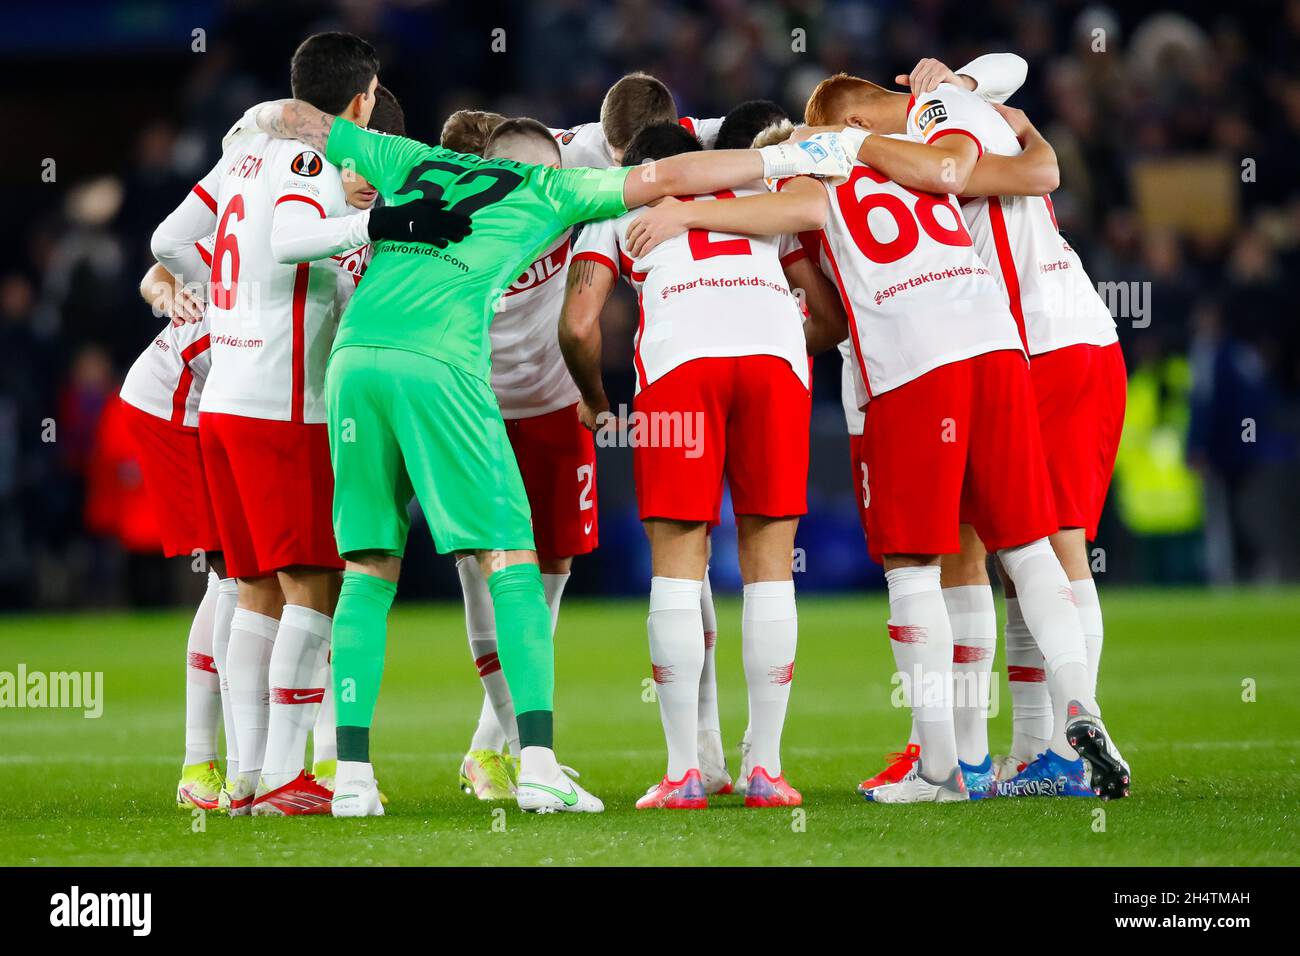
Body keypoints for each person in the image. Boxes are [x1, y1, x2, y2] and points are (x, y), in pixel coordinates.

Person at [252, 94, 853, 816]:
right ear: (544, 166)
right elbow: (666, 177)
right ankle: (535, 764)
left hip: (353, 362)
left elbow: (291, 115)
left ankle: (350, 779)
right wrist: (786, 158)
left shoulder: (416, 157)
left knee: (369, 568)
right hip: (441, 362)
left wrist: (248, 131)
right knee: (513, 561)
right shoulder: (550, 188)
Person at [624, 114, 1129, 804]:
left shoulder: (811, 173)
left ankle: (944, 768)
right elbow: (1035, 169)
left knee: (916, 568)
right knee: (1029, 547)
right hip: (1000, 343)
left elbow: (794, 202)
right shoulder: (917, 163)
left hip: (916, 363)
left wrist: (687, 210)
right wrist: (1013, 120)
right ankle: (1079, 708)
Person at [149, 36, 460, 816]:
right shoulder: (308, 166)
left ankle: (251, 776)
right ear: (362, 100)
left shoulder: (246, 154)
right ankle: (289, 778)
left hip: (224, 401)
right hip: (283, 408)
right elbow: (291, 241)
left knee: (251, 590)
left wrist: (227, 312)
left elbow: (165, 243)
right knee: (313, 589)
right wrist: (380, 223)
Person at [802, 64, 1128, 798]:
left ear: (848, 123)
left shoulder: (920, 136)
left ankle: (976, 760)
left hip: (1020, 342)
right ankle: (1054, 734)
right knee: (1032, 548)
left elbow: (949, 168)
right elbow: (1042, 167)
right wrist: (979, 96)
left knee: (956, 558)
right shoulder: (964, 107)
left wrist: (838, 148)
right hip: (1047, 341)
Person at [561, 122, 847, 808]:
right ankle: (767, 771)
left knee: (677, 568)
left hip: (681, 362)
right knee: (770, 566)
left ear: (638, 162)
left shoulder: (619, 199)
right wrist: (776, 337)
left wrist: (597, 403)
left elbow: (577, 323)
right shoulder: (760, 186)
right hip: (775, 359)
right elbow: (829, 316)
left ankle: (685, 771)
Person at [121, 248, 230, 810]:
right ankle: (202, 766)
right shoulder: (268, 199)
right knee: (234, 575)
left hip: (220, 404)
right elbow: (155, 274)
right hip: (173, 407)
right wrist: (170, 298)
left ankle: (226, 762)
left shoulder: (343, 223)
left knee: (238, 580)